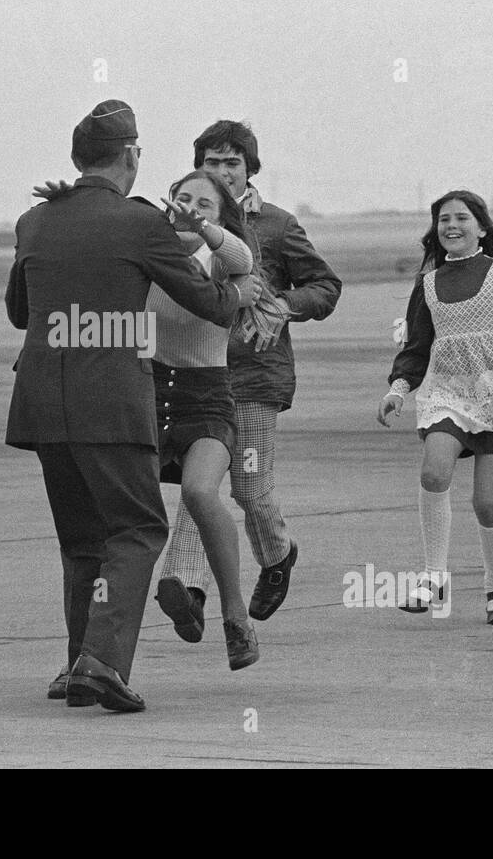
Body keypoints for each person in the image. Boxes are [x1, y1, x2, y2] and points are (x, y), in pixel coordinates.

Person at [6, 100, 258, 713]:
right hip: (110, 403)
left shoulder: (35, 221)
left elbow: (20, 312)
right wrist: (240, 291)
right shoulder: (140, 224)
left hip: (42, 403)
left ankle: (76, 665)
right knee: (139, 527)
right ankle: (102, 663)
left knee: (81, 541)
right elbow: (211, 303)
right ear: (131, 156)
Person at [155, 120, 342, 640]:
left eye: (231, 163)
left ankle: (278, 554)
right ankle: (187, 587)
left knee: (249, 486)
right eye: (211, 163)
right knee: (201, 488)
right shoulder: (177, 224)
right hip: (195, 381)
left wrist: (285, 305)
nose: (221, 172)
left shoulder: (276, 226)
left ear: (249, 169)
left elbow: (326, 285)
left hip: (255, 376)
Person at [378, 191, 493, 624]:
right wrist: (399, 388)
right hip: (446, 395)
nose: (452, 226)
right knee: (434, 472)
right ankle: (434, 578)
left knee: (486, 503)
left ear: (483, 228)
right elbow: (417, 346)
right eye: (443, 220)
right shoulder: (428, 284)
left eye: (462, 218)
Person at [150, 170, 258, 669]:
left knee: (198, 491)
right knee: (128, 508)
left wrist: (209, 229)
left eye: (204, 204)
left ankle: (236, 616)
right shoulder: (148, 253)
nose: (190, 209)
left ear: (220, 216)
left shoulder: (220, 262)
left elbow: (244, 259)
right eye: (182, 199)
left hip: (208, 400)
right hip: (150, 397)